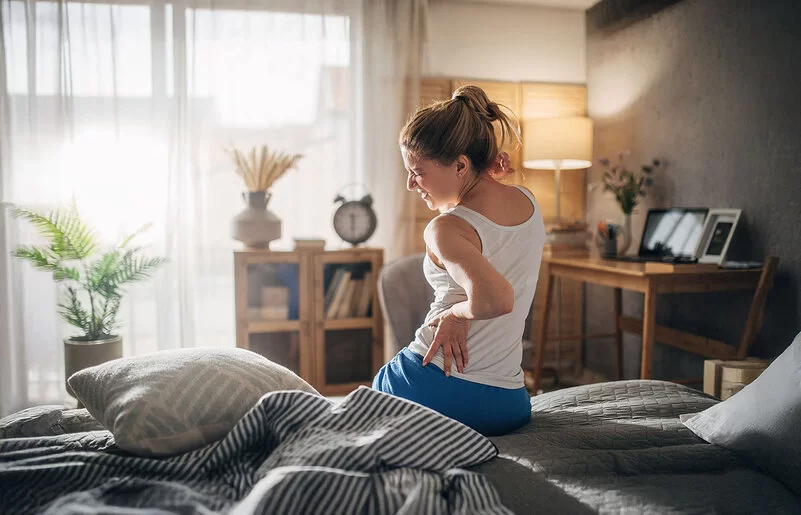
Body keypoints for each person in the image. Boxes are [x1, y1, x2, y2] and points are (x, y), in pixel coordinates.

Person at [372, 85, 547, 436]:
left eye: (418, 171)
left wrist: (454, 314)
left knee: (374, 390)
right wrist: (482, 175)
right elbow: (491, 223)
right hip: (508, 402)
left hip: (431, 388)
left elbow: (496, 299)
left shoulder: (445, 228)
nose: (410, 184)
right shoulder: (528, 203)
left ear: (461, 165)